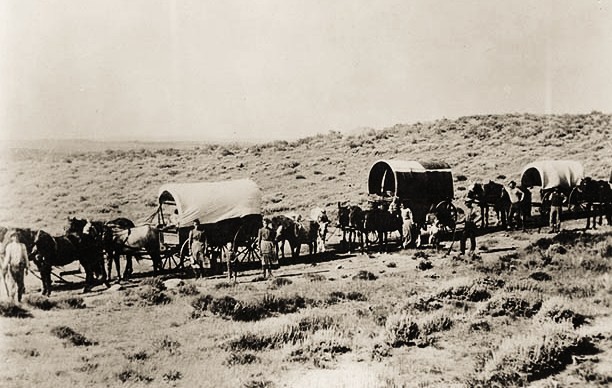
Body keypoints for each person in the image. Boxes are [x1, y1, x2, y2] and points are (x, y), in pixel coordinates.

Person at [2, 231, 30, 303]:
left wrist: (27, 267)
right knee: (12, 284)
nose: (16, 238)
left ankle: (19, 299)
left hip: (21, 267)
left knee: (20, 284)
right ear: (11, 238)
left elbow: (26, 257)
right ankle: (12, 300)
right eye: (14, 236)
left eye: (17, 236)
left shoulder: (22, 246)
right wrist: (4, 267)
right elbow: (7, 258)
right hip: (12, 267)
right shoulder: (9, 246)